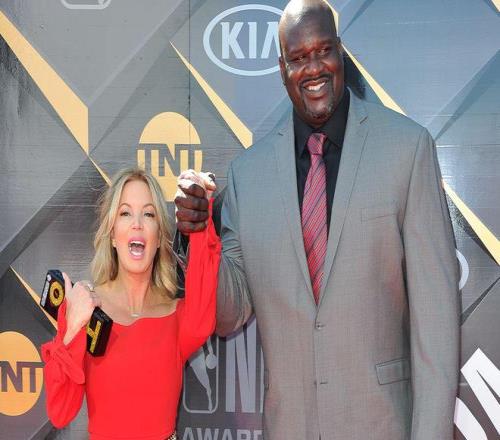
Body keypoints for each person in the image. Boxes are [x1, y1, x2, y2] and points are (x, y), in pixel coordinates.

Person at [174, 1, 460, 439]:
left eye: (323, 50)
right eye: (298, 57)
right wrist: (197, 235)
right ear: (282, 69)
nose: (314, 68)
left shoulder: (407, 150)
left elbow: (436, 325)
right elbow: (230, 313)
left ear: (341, 52)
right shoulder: (248, 176)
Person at [42, 168, 220, 440]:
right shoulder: (85, 309)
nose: (137, 223)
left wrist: (198, 218)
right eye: (125, 213)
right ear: (113, 234)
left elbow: (205, 279)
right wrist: (73, 326)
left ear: (158, 238)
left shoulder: (178, 318)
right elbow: (60, 412)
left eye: (148, 214)